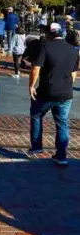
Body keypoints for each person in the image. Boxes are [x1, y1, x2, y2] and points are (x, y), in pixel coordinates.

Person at [29, 23, 79, 166]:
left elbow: (35, 68)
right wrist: (68, 84)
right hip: (65, 93)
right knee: (62, 123)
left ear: (50, 34)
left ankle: (37, 146)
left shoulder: (45, 46)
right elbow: (74, 73)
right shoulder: (73, 50)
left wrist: (32, 86)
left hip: (47, 91)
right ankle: (61, 155)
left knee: (36, 115)